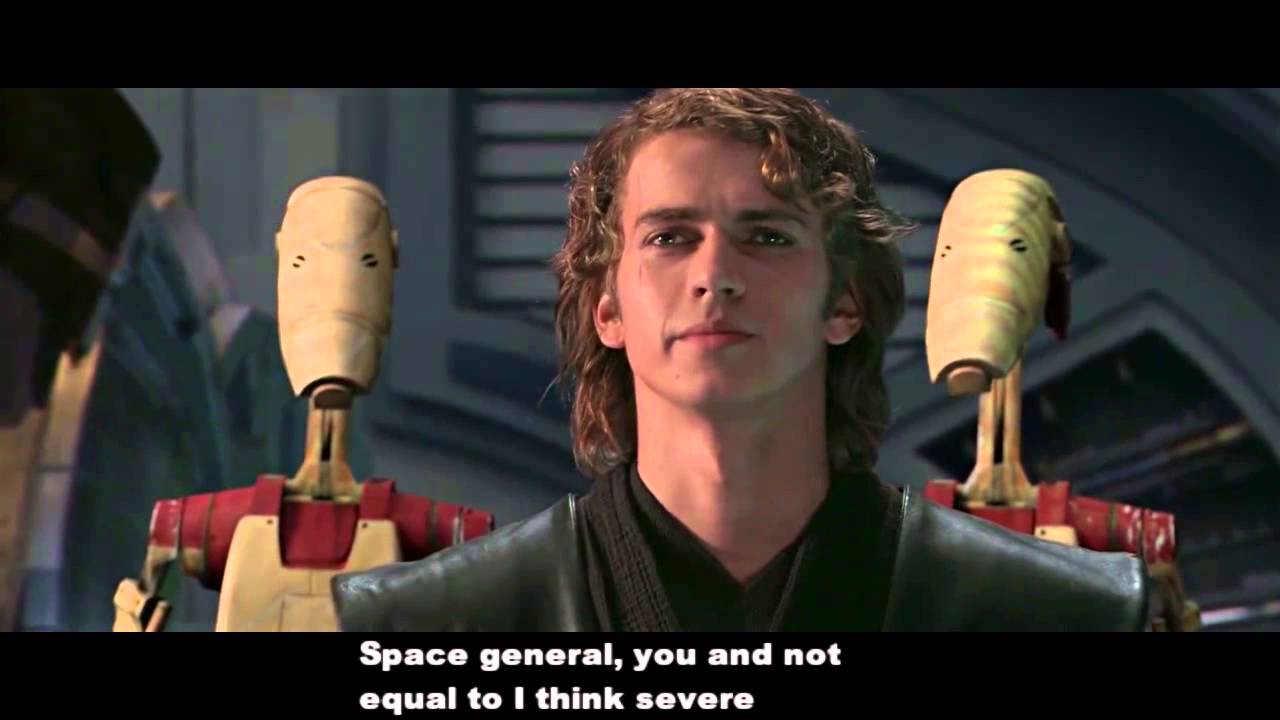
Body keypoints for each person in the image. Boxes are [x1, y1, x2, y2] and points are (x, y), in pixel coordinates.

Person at [331, 88, 1149, 631]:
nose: (715, 276)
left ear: (845, 303)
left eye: (767, 237)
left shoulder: (1051, 615)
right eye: (669, 238)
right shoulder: (433, 624)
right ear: (608, 309)